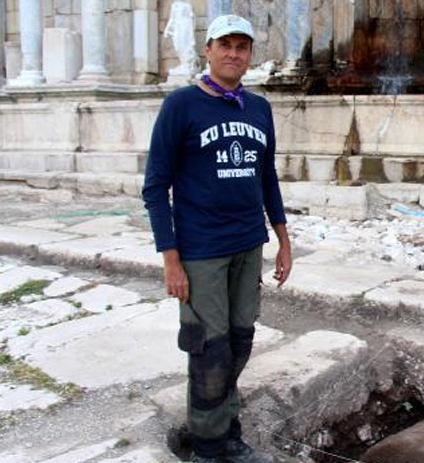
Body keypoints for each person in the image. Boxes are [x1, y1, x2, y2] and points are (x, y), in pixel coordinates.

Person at [142, 14, 292, 463]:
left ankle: (223, 427)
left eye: (241, 47)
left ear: (250, 55)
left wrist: (283, 240)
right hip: (201, 250)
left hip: (249, 244)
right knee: (209, 348)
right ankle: (208, 447)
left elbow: (267, 179)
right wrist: (171, 259)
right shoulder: (181, 106)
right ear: (207, 50)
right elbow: (155, 187)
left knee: (241, 340)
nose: (233, 53)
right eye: (224, 44)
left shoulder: (259, 108)